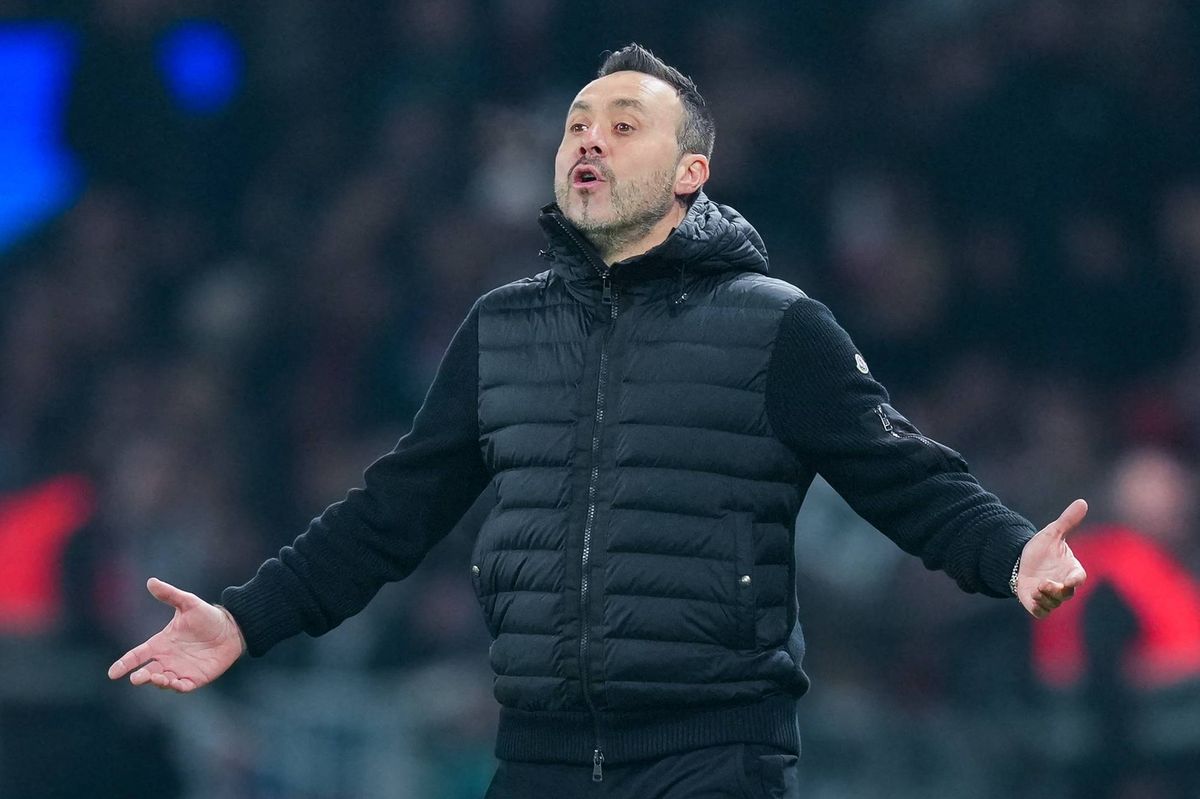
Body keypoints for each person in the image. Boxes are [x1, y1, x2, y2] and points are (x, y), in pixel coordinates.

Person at [108, 44, 1088, 798]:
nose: (587, 139)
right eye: (576, 123)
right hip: (536, 753)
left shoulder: (776, 326)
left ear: (691, 171)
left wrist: (1010, 554)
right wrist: (247, 615)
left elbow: (903, 475)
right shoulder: (501, 330)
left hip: (713, 757)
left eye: (624, 125)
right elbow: (387, 515)